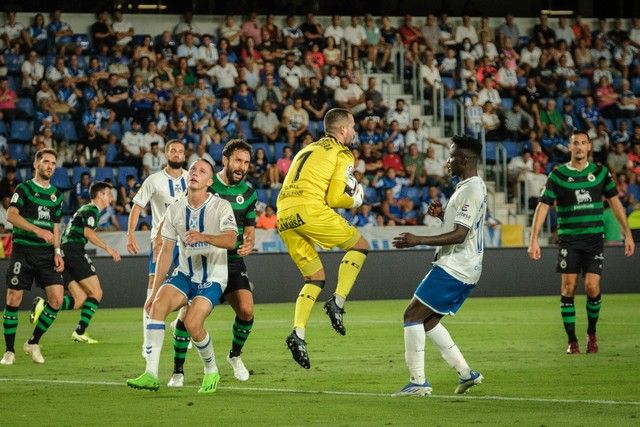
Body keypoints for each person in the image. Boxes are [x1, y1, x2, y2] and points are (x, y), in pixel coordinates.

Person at [127, 159, 237, 393]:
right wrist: (154, 292)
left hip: (213, 277)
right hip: (185, 274)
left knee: (192, 323)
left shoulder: (221, 207)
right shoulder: (174, 209)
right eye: (193, 169)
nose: (195, 173)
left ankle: (211, 369)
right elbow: (166, 253)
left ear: (209, 181)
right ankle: (151, 374)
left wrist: (204, 236)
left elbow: (231, 240)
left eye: (202, 171)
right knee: (156, 307)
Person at [393, 135, 487, 396]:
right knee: (428, 321)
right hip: (464, 267)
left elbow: (460, 234)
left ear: (464, 160)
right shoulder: (468, 186)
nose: (447, 161)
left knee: (411, 316)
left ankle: (418, 382)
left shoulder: (472, 189)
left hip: (455, 266)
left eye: (452, 156)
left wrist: (417, 240)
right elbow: (459, 225)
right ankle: (467, 373)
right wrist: (441, 216)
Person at [277, 108, 368, 369]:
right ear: (341, 130)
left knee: (314, 278)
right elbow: (335, 198)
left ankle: (298, 333)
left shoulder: (307, 149)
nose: (354, 132)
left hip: (284, 214)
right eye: (352, 127)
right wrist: (356, 199)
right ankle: (337, 303)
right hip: (309, 209)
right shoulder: (342, 152)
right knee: (360, 245)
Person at [528, 131, 635, 354]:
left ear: (589, 148)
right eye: (575, 143)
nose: (579, 147)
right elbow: (543, 206)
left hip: (594, 240)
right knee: (568, 288)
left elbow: (615, 203)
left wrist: (628, 233)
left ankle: (592, 334)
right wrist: (534, 239)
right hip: (569, 240)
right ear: (570, 147)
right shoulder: (558, 175)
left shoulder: (600, 173)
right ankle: (572, 340)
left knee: (592, 286)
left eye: (583, 143)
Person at [167, 139, 257, 387]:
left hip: (233, 260)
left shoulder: (249, 194)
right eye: (238, 160)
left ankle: (235, 356)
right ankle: (178, 371)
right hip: (203, 258)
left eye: (247, 162)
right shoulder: (206, 182)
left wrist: (249, 243)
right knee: (188, 318)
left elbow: (249, 230)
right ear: (226, 160)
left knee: (247, 310)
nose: (242, 166)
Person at [30, 182, 121, 344]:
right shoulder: (92, 209)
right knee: (97, 292)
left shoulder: (85, 209)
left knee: (80, 299)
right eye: (109, 193)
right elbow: (88, 232)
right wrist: (109, 249)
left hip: (64, 252)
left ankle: (44, 306)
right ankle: (80, 331)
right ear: (100, 195)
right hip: (73, 251)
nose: (111, 197)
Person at [1, 149, 64, 365]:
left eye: (53, 163)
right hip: (24, 251)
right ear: (36, 164)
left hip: (47, 254)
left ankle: (33, 342)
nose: (49, 166)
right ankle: (9, 351)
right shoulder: (24, 189)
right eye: (45, 161)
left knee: (56, 299)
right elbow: (11, 215)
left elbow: (56, 227)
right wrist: (37, 230)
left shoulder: (57, 195)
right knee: (13, 298)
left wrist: (57, 251)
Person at [126, 140, 188, 357]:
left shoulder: (192, 178)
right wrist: (131, 234)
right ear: (166, 154)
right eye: (173, 150)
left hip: (187, 242)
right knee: (153, 287)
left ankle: (181, 325)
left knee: (191, 285)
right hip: (161, 241)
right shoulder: (154, 180)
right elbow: (137, 206)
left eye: (181, 151)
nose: (177, 154)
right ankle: (148, 342)